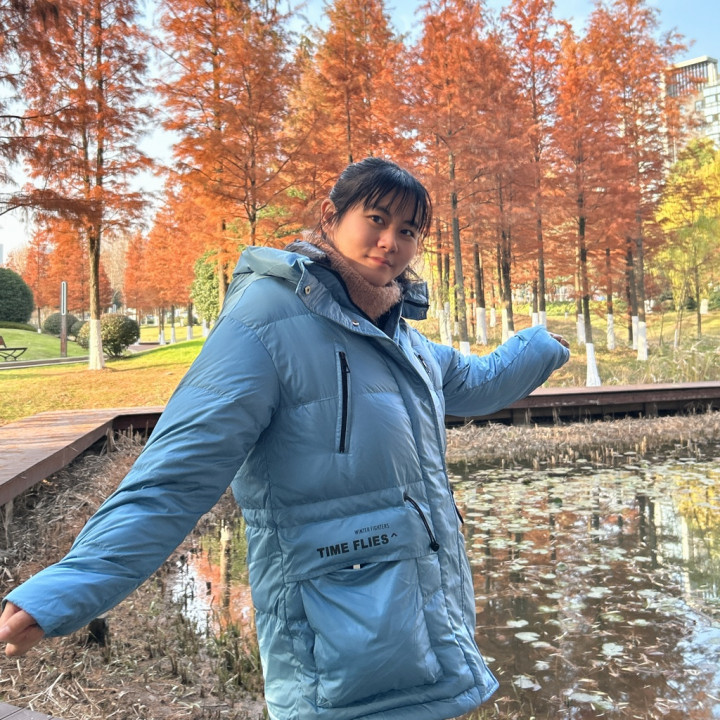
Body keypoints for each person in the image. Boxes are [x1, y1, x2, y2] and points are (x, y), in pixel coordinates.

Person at [0, 157, 570, 720]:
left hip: (421, 625)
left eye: (408, 231)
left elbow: (478, 381)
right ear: (330, 215)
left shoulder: (400, 338)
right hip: (333, 640)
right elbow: (177, 474)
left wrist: (543, 344)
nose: (389, 242)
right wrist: (67, 589)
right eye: (376, 219)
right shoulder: (266, 321)